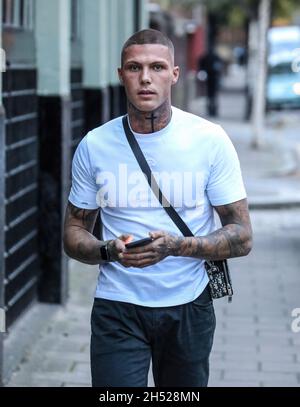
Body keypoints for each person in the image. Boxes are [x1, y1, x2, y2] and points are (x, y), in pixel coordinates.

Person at [63, 29, 252, 387]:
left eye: (157, 67)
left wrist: (176, 246)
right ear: (121, 76)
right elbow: (73, 233)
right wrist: (107, 250)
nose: (146, 78)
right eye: (134, 67)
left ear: (174, 74)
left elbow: (242, 236)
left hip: (188, 306)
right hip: (117, 307)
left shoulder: (209, 140)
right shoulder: (95, 145)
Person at [198, 48, 223, 117]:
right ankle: (213, 110)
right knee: (213, 96)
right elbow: (219, 67)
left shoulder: (205, 57)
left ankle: (210, 110)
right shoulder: (216, 58)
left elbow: (200, 66)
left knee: (209, 96)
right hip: (214, 79)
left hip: (208, 79)